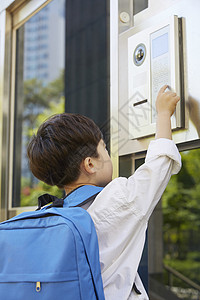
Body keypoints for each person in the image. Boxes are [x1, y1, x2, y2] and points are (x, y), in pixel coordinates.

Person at [27, 85, 181, 299]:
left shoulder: (51, 215)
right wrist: (164, 114)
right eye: (104, 148)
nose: (108, 155)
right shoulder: (116, 199)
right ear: (90, 164)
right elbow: (159, 165)